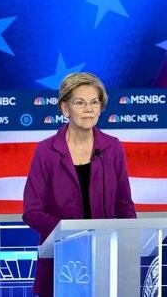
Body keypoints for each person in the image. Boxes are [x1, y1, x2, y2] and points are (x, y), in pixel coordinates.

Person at [23, 72, 136, 296]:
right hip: (60, 258)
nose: (89, 109)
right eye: (80, 103)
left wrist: (129, 244)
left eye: (94, 102)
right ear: (65, 108)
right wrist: (71, 234)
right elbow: (32, 211)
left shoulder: (112, 148)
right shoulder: (46, 151)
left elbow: (124, 205)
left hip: (103, 256)